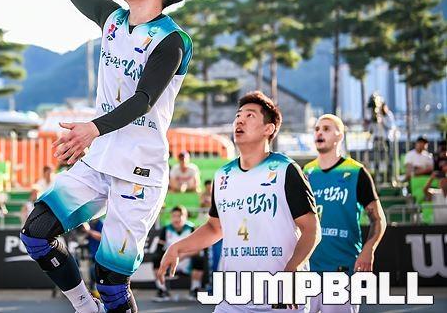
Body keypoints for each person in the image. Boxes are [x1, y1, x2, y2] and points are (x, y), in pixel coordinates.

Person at [12, 0, 194, 313]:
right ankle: (83, 307)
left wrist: (91, 128)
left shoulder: (172, 40)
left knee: (111, 282)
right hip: (99, 158)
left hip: (139, 169)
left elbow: (145, 98)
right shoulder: (111, 18)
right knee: (36, 232)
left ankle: (102, 302)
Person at [158, 91, 320, 312]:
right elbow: (215, 228)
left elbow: (312, 230)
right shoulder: (223, 175)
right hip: (234, 298)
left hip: (280, 297)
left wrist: (293, 268)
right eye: (238, 115)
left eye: (250, 115)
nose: (240, 120)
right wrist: (177, 248)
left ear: (268, 129)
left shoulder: (286, 169)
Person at [304, 114, 387, 313]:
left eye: (326, 128)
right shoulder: (307, 172)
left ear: (339, 135)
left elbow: (378, 219)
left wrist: (369, 249)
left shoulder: (357, 172)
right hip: (308, 270)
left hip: (342, 270)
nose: (319, 133)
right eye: (317, 129)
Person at [152, 206, 205, 302]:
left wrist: (182, 256)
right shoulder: (166, 229)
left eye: (179, 216)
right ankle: (162, 290)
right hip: (170, 261)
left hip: (187, 260)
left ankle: (195, 289)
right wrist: (168, 258)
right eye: (174, 216)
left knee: (199, 259)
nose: (176, 219)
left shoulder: (191, 228)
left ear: (186, 217)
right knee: (156, 259)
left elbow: (198, 249)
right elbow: (159, 249)